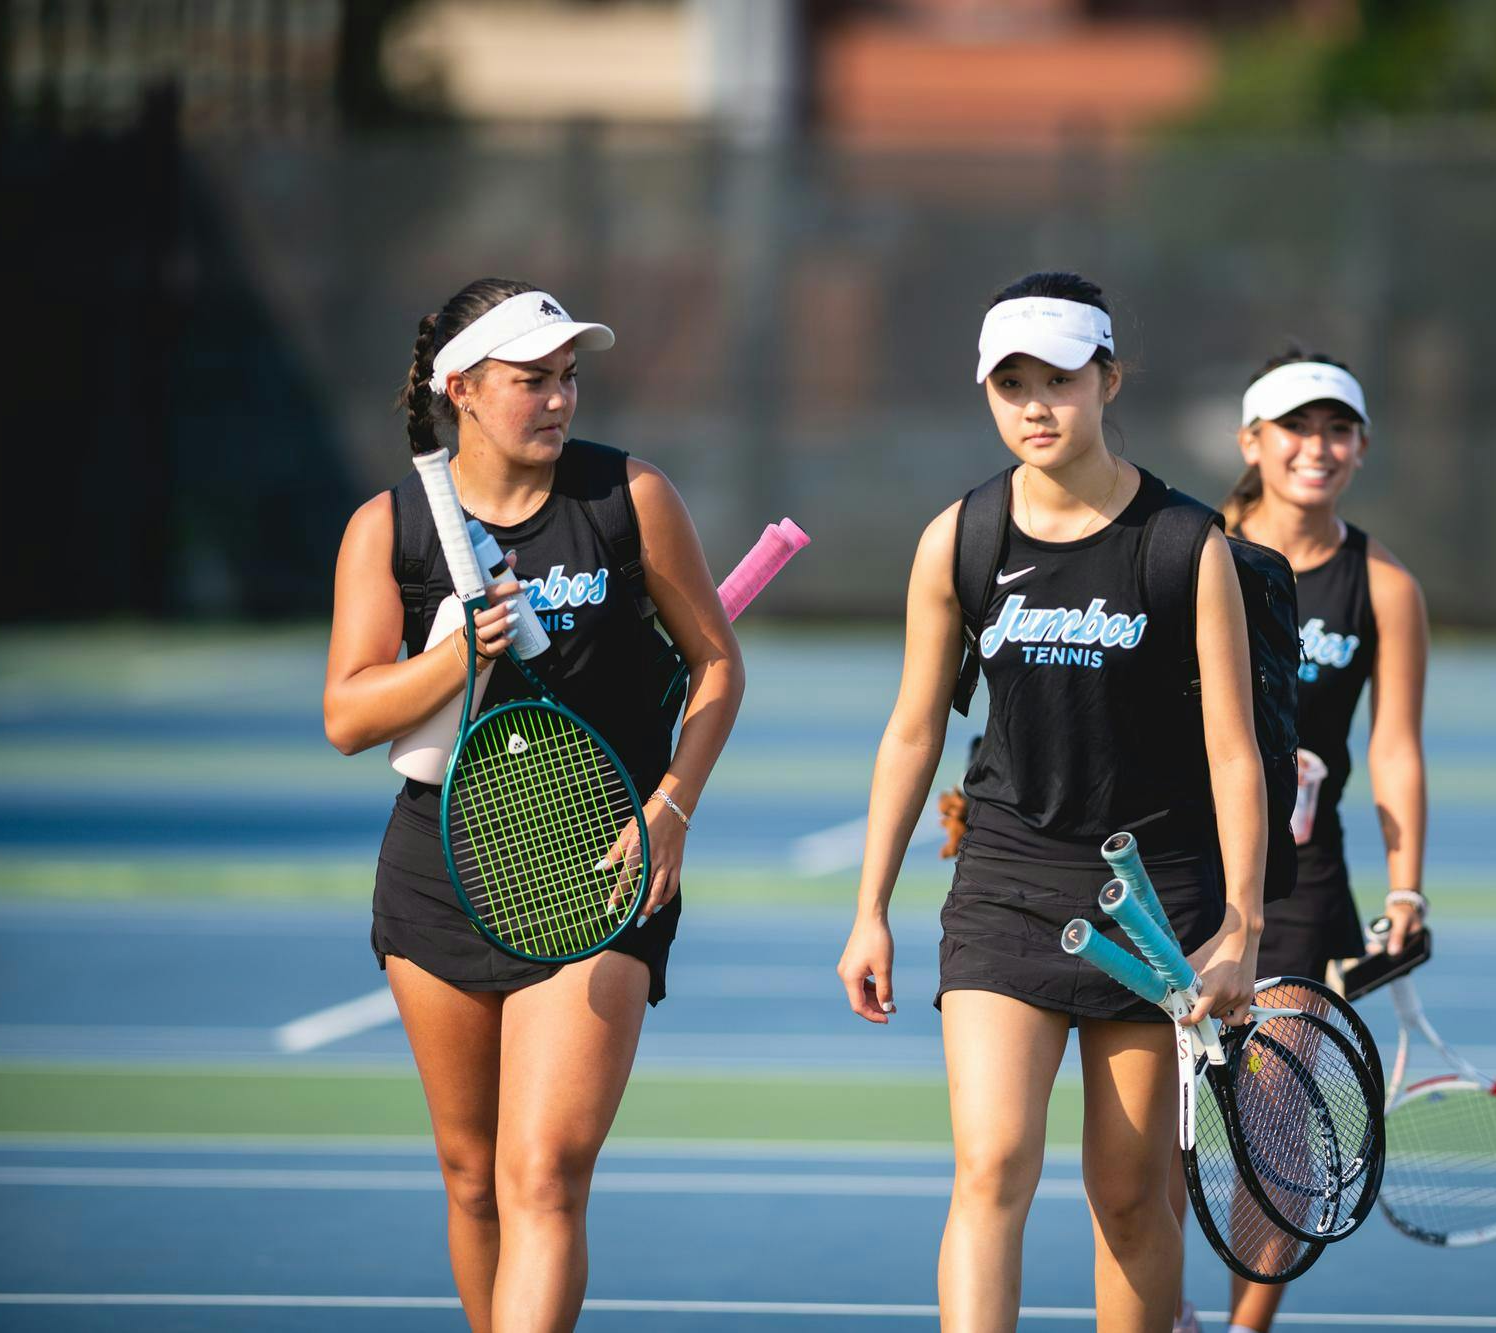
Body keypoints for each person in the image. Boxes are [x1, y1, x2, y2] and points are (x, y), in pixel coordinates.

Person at [836, 271, 1266, 1332]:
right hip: (1005, 884)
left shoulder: (1183, 545)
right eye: (1009, 382)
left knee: (1127, 1195)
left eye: (1059, 380)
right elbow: (911, 729)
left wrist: (1241, 927)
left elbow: (1234, 752)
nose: (1034, 404)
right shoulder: (961, 539)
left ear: (1109, 379)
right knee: (989, 1166)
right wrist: (868, 907)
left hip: (1151, 900)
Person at [322, 278, 744, 1330]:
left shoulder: (628, 498)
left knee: (543, 1172)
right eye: (531, 381)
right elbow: (346, 714)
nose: (558, 400)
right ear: (461, 389)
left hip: (600, 863)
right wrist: (459, 654)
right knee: (472, 1179)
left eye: (567, 378)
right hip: (440, 868)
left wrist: (670, 810)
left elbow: (717, 667)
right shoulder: (390, 529)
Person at [1171, 350, 1429, 1333]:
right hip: (1179, 868)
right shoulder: (1191, 550)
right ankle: (1161, 1308)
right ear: (1252, 443)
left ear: (1358, 447)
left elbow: (1395, 748)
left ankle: (1244, 1331)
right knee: (1155, 1123)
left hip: (1299, 885)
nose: (1313, 448)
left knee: (1278, 1125)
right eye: (1293, 428)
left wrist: (1403, 891)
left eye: (1334, 430)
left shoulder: (1382, 585)